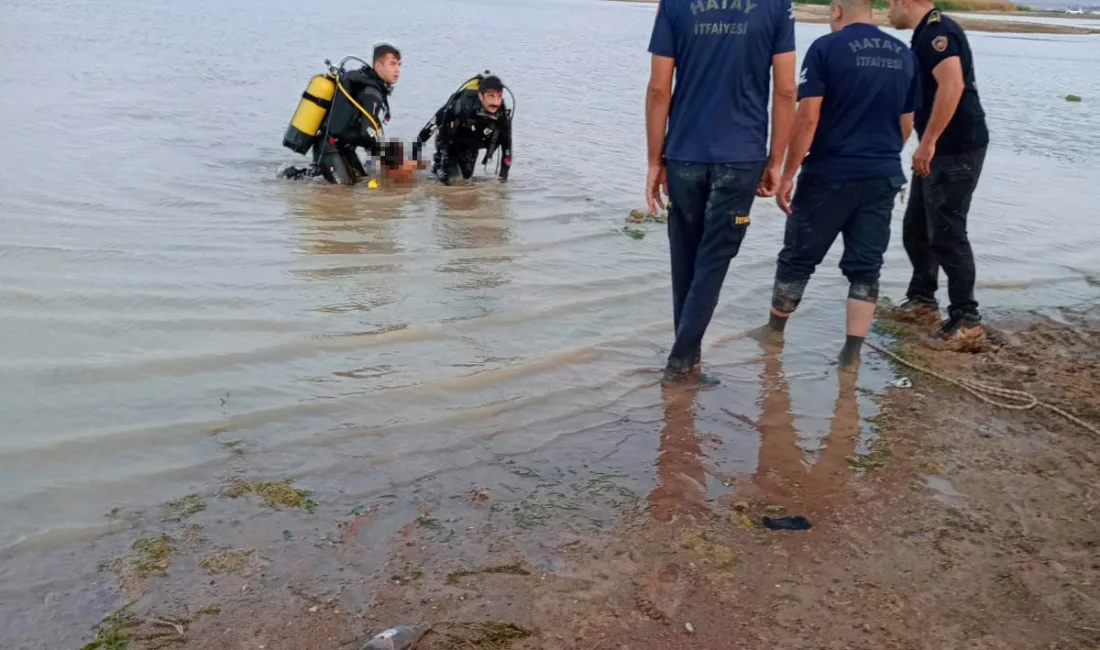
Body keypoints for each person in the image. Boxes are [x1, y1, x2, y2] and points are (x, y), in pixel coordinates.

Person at [760, 0, 920, 370]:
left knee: (798, 257)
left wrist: (787, 172)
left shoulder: (825, 48)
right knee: (867, 266)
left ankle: (774, 334)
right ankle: (851, 354)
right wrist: (881, 155)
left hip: (829, 173)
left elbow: (808, 117)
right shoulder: (903, 54)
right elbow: (907, 122)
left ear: (836, 11)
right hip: (882, 174)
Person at [645, 0, 798, 384]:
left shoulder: (674, 4)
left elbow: (660, 88)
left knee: (685, 256)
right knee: (712, 261)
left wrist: (654, 159)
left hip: (683, 153)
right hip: (740, 155)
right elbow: (786, 90)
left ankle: (687, 358)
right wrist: (776, 159)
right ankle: (681, 362)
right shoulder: (776, 6)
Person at [886, 0, 989, 344]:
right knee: (916, 227)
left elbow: (952, 85)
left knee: (947, 232)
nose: (887, 10)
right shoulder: (923, 34)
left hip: (956, 148)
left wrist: (928, 142)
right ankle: (922, 298)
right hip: (939, 150)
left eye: (888, 3)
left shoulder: (937, 33)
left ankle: (966, 317)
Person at [294, 44, 417, 186]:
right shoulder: (371, 92)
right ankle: (291, 178)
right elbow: (367, 132)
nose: (397, 70)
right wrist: (391, 161)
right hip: (329, 147)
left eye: (399, 65)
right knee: (342, 191)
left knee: (361, 181)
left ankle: (305, 175)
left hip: (344, 148)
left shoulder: (366, 82)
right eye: (392, 64)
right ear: (378, 66)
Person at [413, 74, 513, 185]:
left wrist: (502, 183)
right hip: (450, 142)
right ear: (481, 96)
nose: (495, 102)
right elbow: (433, 123)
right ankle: (437, 170)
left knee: (466, 179)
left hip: (472, 146)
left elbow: (507, 152)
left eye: (499, 96)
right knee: (452, 180)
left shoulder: (502, 117)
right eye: (491, 96)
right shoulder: (462, 104)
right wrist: (415, 150)